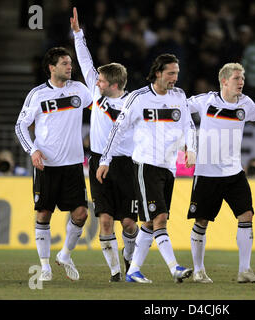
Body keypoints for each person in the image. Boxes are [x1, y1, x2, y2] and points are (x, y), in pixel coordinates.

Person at [96, 53, 197, 284]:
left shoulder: (180, 96)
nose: (175, 78)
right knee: (160, 218)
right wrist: (105, 160)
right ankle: (175, 268)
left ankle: (133, 271)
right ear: (158, 73)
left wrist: (191, 149)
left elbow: (189, 125)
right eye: (171, 73)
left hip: (169, 167)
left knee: (150, 223)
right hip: (146, 165)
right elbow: (117, 130)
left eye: (177, 73)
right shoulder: (138, 98)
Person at [186, 62, 255, 283]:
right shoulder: (205, 101)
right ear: (224, 81)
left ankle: (244, 270)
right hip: (207, 171)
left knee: (246, 215)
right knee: (201, 221)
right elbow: (180, 110)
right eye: (237, 78)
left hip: (233, 171)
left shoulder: (245, 103)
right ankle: (199, 270)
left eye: (243, 78)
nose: (241, 82)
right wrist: (188, 143)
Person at [70, 7, 139, 282]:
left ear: (112, 84)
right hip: (98, 162)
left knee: (130, 224)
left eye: (100, 80)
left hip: (127, 165)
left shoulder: (132, 104)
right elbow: (85, 61)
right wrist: (78, 34)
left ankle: (130, 255)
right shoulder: (97, 92)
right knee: (106, 221)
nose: (94, 82)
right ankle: (115, 272)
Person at [15, 46, 93, 281]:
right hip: (46, 165)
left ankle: (65, 255)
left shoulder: (80, 90)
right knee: (43, 214)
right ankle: (45, 266)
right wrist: (33, 150)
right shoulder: (38, 94)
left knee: (81, 214)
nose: (70, 67)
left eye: (70, 63)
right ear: (52, 67)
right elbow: (20, 126)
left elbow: (99, 110)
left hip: (72, 165)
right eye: (65, 64)